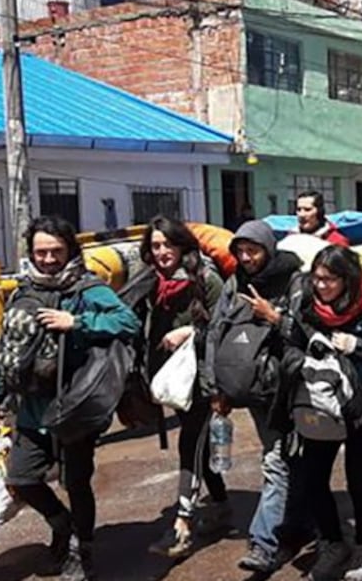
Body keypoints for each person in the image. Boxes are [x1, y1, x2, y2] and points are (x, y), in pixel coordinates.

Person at [0, 216, 140, 581]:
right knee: (22, 478)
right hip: (31, 409)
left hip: (73, 408)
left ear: (69, 250)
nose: (48, 259)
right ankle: (60, 523)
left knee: (77, 483)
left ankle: (82, 552)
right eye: (41, 252)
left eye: (56, 251)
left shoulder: (86, 288)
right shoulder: (23, 291)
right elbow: (10, 351)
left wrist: (78, 322)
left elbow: (128, 322)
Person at [283, 245, 362, 581]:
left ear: (347, 279)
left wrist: (357, 347)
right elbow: (291, 343)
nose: (321, 286)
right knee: (313, 477)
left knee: (359, 482)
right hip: (322, 406)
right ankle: (333, 543)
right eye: (317, 278)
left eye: (329, 280)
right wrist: (302, 359)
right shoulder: (310, 307)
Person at [130, 216, 230, 559]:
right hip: (173, 381)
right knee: (198, 446)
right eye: (155, 246)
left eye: (167, 244)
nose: (161, 252)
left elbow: (224, 329)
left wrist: (189, 333)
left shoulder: (207, 279)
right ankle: (220, 505)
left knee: (190, 445)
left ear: (182, 245)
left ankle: (182, 526)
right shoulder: (150, 282)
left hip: (204, 381)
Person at [217, 219, 310, 574]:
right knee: (280, 460)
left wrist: (274, 317)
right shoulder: (234, 283)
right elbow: (216, 332)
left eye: (252, 249)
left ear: (268, 248)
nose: (245, 257)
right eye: (240, 251)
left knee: (282, 462)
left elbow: (307, 333)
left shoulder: (294, 281)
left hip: (290, 386)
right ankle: (291, 528)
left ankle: (265, 541)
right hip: (256, 392)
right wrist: (218, 388)